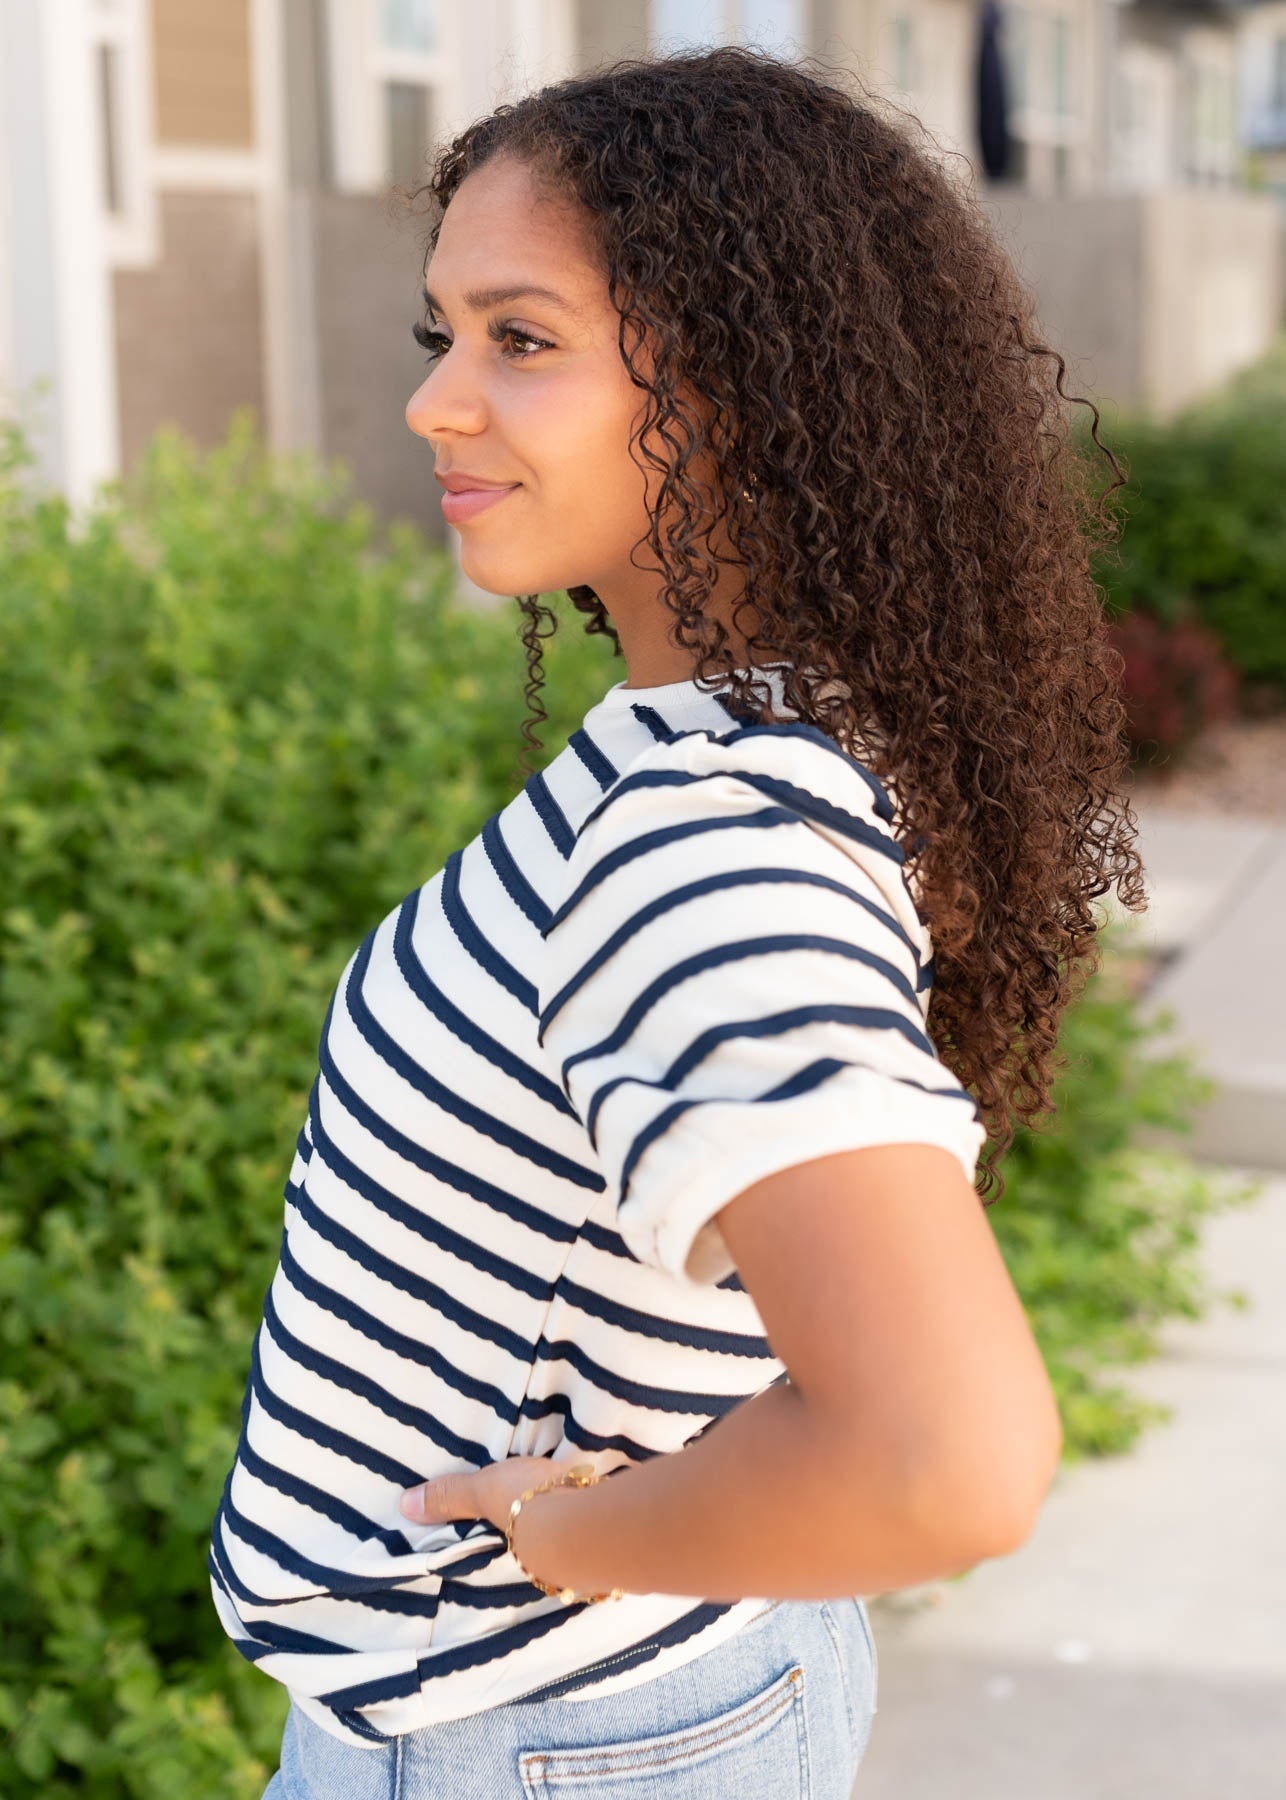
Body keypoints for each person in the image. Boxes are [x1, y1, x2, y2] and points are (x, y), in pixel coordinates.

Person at [218, 44, 1145, 1799]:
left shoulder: (697, 846)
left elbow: (948, 1463)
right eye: (446, 335)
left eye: (523, 338)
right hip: (588, 1706)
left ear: (745, 382)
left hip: (530, 1736)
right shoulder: (763, 736)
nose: (434, 401)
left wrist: (571, 1544)